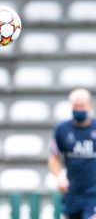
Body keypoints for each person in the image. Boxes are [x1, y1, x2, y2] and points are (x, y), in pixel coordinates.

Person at [48, 88, 96, 219]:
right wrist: (59, 177)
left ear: (89, 106)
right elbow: (54, 157)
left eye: (82, 106)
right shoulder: (62, 129)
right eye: (76, 106)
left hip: (93, 194)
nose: (79, 109)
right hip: (72, 192)